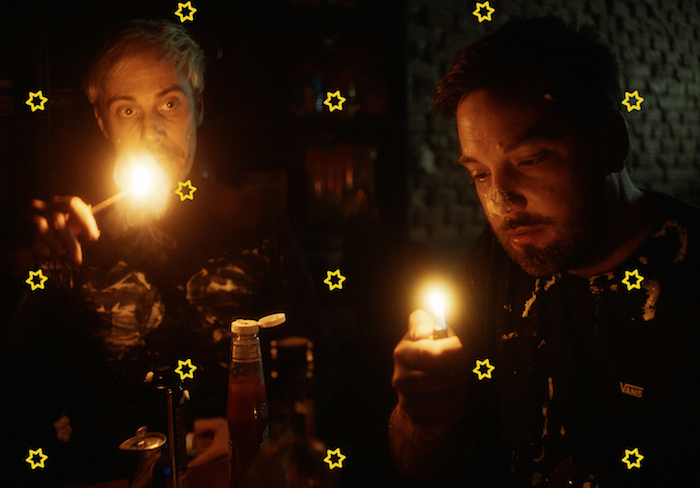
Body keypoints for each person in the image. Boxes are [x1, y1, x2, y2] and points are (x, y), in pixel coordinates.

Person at [0, 19, 337, 486]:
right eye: (127, 110)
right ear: (102, 122)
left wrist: (257, 428)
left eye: (170, 104)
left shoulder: (257, 227)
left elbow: (320, 368)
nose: (152, 131)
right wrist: (13, 264)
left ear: (198, 108)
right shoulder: (68, 240)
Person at [390, 16, 699, 488]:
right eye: (479, 173)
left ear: (610, 144)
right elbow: (422, 467)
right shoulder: (497, 261)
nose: (500, 201)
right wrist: (425, 420)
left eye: (530, 160)